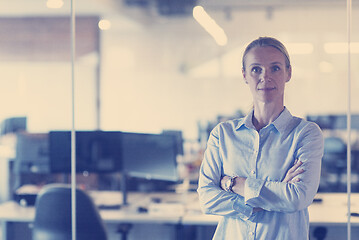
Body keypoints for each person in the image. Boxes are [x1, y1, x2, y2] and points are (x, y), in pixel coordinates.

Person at [197, 36, 324, 240]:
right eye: (256, 69)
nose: (265, 77)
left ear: (288, 73)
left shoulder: (306, 133)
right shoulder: (223, 134)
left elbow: (297, 198)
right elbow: (206, 199)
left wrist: (234, 184)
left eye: (275, 68)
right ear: (245, 75)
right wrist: (272, 193)